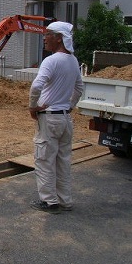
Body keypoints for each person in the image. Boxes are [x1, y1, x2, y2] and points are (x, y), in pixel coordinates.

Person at [28, 21, 83, 214]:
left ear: (59, 37)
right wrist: (69, 106)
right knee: (63, 160)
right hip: (65, 119)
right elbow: (79, 89)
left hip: (49, 118)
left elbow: (36, 86)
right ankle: (65, 200)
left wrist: (33, 107)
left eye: (48, 34)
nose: (44, 38)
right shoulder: (73, 61)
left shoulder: (51, 61)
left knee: (44, 160)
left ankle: (49, 202)